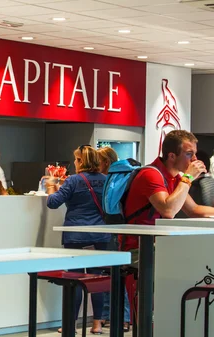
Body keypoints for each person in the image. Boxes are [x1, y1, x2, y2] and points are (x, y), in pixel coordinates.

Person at [46, 145, 109, 334]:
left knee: (74, 280)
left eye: (76, 159)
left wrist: (50, 186)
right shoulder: (106, 180)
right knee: (97, 279)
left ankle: (71, 324)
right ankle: (97, 323)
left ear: (81, 161)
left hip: (76, 236)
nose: (74, 162)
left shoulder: (73, 180)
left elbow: (52, 202)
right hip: (100, 235)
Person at [121, 130, 214, 257]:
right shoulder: (151, 174)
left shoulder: (174, 178)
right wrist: (188, 177)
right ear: (171, 156)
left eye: (194, 154)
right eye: (189, 154)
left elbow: (193, 209)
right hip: (138, 249)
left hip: (157, 244)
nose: (194, 159)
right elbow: (168, 211)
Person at [97, 147, 131, 332]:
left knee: (113, 273)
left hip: (110, 230)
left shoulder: (109, 179)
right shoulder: (116, 178)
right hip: (115, 229)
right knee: (109, 273)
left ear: (106, 162)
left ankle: (122, 317)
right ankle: (110, 315)